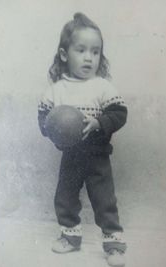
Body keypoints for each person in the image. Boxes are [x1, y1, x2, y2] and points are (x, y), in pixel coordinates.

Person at [38, 12, 128, 267]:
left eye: (96, 51)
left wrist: (99, 123)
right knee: (65, 196)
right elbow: (43, 115)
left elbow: (119, 113)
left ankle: (113, 244)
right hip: (71, 155)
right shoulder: (56, 90)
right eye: (81, 50)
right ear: (65, 55)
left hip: (98, 156)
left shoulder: (102, 87)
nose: (89, 57)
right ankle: (70, 236)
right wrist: (51, 129)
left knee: (104, 200)